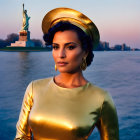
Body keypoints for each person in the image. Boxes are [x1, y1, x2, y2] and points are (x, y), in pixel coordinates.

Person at [15, 7, 119, 140]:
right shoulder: (34, 88)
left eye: (70, 47)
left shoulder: (101, 98)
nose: (60, 55)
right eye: (55, 47)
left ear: (85, 52)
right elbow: (21, 136)